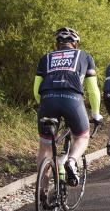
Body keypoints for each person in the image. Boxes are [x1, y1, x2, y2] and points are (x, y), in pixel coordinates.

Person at [33, 27, 102, 186]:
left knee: (45, 148)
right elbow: (93, 90)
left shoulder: (45, 58)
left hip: (47, 100)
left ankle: (42, 191)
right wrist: (96, 114)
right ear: (75, 44)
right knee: (82, 136)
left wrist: (44, 104)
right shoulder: (85, 56)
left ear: (57, 44)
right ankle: (71, 161)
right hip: (72, 99)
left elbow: (36, 91)